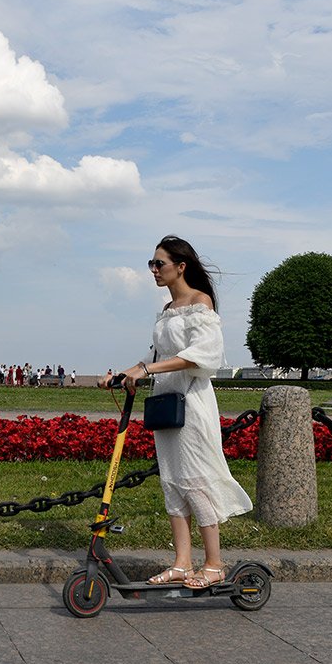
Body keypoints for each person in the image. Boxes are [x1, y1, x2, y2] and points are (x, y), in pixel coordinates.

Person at [99, 235, 252, 589]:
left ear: (180, 267)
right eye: (150, 264)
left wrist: (148, 371)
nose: (153, 270)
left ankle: (214, 563)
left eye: (159, 264)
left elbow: (204, 354)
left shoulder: (201, 303)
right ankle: (182, 562)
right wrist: (126, 373)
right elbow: (156, 356)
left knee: (196, 477)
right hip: (166, 402)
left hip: (192, 400)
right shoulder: (167, 311)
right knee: (172, 480)